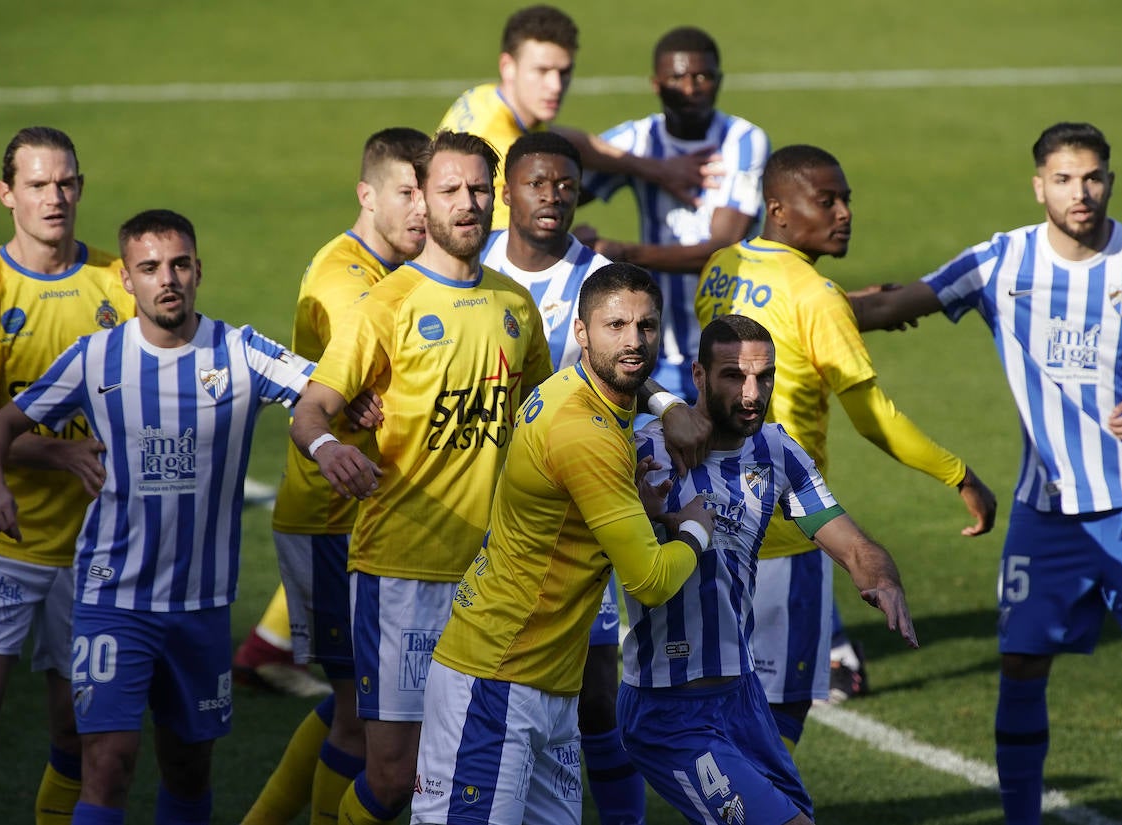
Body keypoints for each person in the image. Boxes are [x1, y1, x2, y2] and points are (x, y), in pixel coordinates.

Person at [849, 122, 1122, 825]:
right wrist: (796, 301)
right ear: (1039, 185)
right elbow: (891, 306)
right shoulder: (1000, 261)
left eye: (1093, 177)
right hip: (1049, 508)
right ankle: (1021, 817)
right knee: (1022, 663)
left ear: (1110, 182)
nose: (1080, 192)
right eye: (1064, 179)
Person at [0, 209, 317, 825]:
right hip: (114, 598)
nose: (169, 279)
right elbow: (0, 423)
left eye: (180, 265)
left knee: (188, 768)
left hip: (202, 604)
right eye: (151, 267)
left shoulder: (239, 351)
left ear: (198, 271)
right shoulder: (95, 358)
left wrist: (346, 420)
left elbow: (321, 390)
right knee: (108, 763)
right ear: (127, 280)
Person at [289, 130, 552, 824]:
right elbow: (311, 407)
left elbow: (548, 419)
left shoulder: (516, 307)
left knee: (475, 766)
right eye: (449, 190)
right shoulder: (387, 305)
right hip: (401, 571)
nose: (466, 204)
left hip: (494, 576)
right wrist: (325, 447)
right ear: (424, 200)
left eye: (477, 190)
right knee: (393, 773)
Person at [696, 144, 996, 747]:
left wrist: (851, 307)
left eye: (847, 200)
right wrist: (959, 475)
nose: (844, 213)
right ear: (779, 209)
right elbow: (874, 419)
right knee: (777, 730)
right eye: (826, 201)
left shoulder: (723, 264)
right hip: (785, 533)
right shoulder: (817, 295)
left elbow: (776, 316)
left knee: (712, 715)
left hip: (710, 521)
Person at [410, 263, 714, 825]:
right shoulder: (586, 434)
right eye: (615, 325)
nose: (633, 341)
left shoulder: (575, 389)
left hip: (548, 685)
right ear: (581, 332)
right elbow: (649, 581)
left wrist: (663, 408)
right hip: (496, 681)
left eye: (645, 327)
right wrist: (696, 526)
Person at [0, 126, 134, 825]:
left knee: (75, 733)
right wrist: (60, 453)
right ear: (7, 192)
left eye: (66, 182)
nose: (55, 197)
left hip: (92, 551)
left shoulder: (115, 283)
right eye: (38, 184)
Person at [625, 314, 919, 823]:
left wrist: (882, 580)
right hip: (668, 708)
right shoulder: (645, 452)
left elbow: (852, 544)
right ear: (698, 376)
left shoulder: (778, 452)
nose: (752, 394)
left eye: (764, 378)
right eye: (734, 376)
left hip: (742, 699)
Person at [241, 126, 430, 825]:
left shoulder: (395, 271)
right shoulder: (345, 278)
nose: (422, 210)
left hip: (368, 521)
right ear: (367, 194)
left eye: (426, 192)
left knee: (357, 705)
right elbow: (398, 378)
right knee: (361, 717)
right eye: (406, 193)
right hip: (330, 520)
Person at [478, 130, 645, 822]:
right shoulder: (472, 267)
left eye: (566, 184)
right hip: (466, 511)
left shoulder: (601, 280)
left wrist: (666, 405)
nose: (552, 196)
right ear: (506, 191)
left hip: (567, 522)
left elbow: (641, 372)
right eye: (537, 183)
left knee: (596, 701)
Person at [578, 25, 770, 403]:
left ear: (719, 81)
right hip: (654, 352)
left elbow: (719, 249)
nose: (690, 87)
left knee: (734, 462)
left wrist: (620, 252)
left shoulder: (744, 141)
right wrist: (650, 167)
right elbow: (557, 166)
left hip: (731, 352)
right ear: (655, 83)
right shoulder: (638, 140)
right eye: (677, 77)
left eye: (702, 76)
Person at [440, 5, 715, 230]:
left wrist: (653, 169)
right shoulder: (498, 150)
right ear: (507, 67)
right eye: (542, 71)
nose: (556, 86)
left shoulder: (485, 97)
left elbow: (561, 138)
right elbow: (507, 245)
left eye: (564, 72)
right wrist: (569, 244)